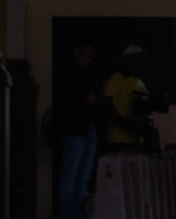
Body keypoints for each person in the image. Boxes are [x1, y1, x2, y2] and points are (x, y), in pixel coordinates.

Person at [55, 39, 101, 219]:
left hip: (87, 128)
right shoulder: (67, 74)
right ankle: (67, 214)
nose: (89, 60)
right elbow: (65, 100)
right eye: (86, 56)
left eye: (91, 57)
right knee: (71, 176)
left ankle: (77, 214)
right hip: (74, 129)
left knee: (81, 178)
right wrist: (86, 101)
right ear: (76, 53)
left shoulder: (87, 74)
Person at [103, 45, 150, 152]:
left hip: (137, 140)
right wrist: (127, 124)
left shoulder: (139, 82)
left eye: (141, 60)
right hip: (118, 140)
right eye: (137, 59)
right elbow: (107, 108)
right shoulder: (115, 81)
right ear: (126, 60)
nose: (140, 63)